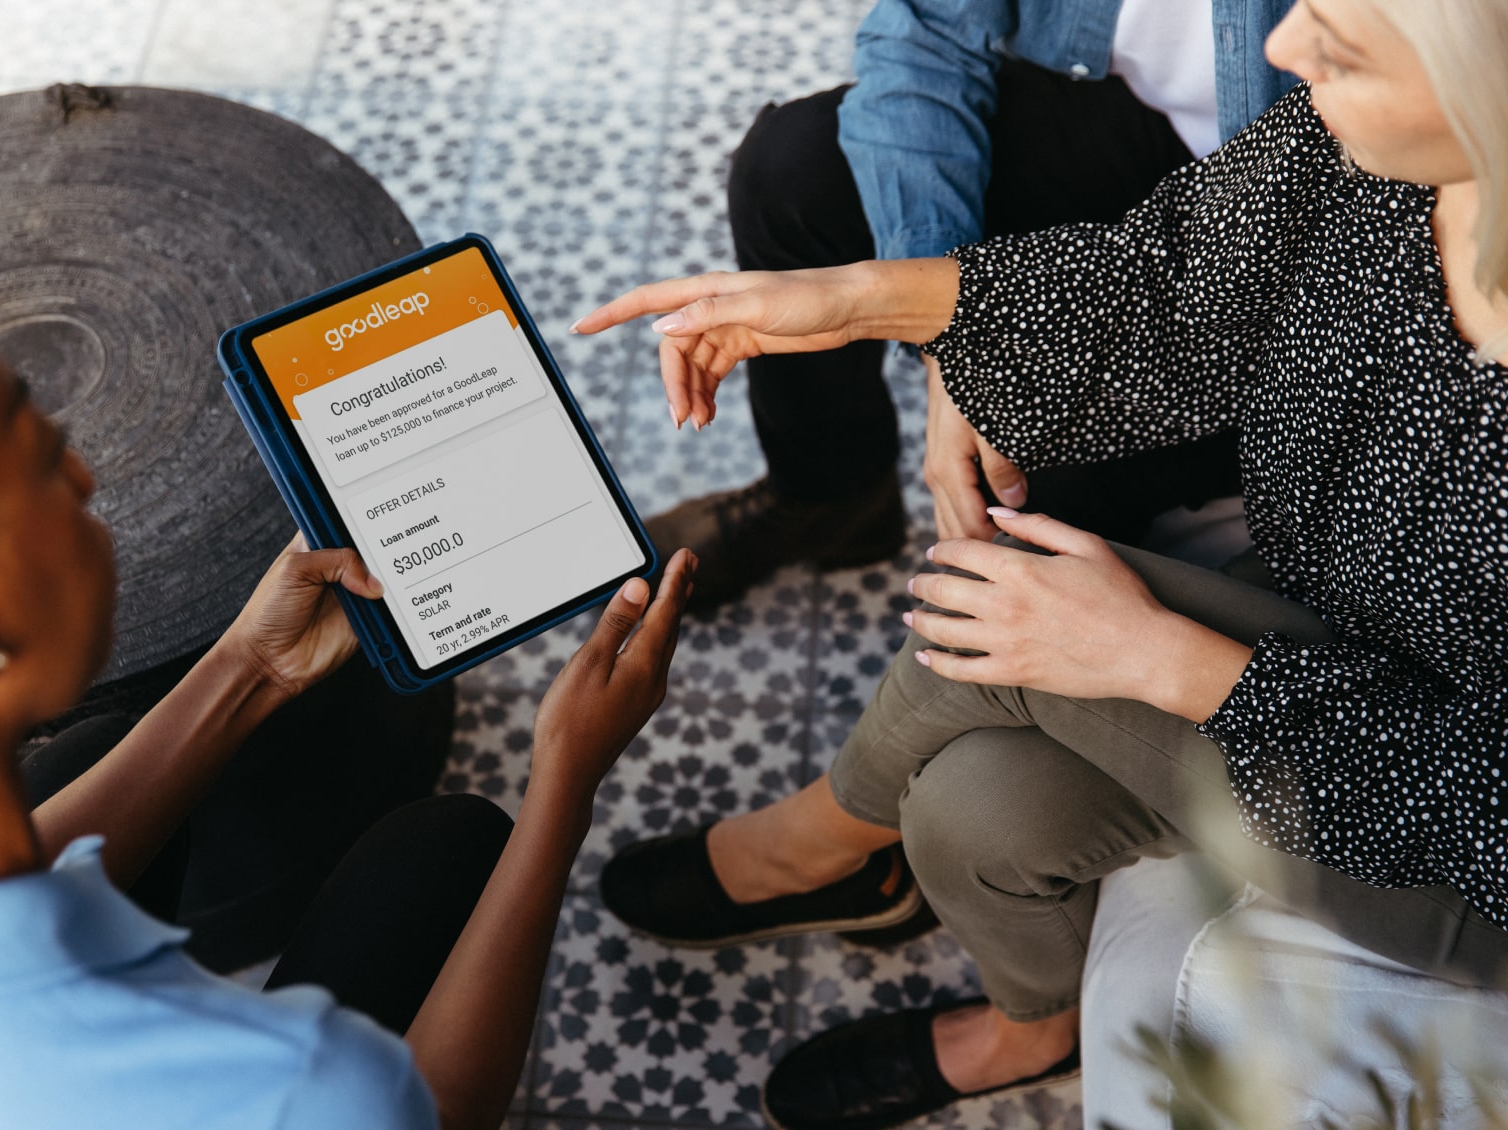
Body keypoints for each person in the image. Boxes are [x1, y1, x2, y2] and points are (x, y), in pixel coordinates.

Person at [575, 0, 1508, 1124]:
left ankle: (818, 836)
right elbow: (1172, 287)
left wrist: (1160, 655)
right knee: (973, 812)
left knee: (992, 620)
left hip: (1450, 845)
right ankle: (1032, 1022)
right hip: (1339, 625)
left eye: (1340, 43)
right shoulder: (1366, 154)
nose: (1278, 49)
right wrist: (858, 298)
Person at [0, 236, 696, 1130]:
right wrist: (563, 785)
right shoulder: (288, 1089)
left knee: (94, 755)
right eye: (41, 456)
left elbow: (24, 874)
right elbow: (437, 1109)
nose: (83, 476)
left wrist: (253, 665)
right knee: (451, 854)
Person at [650, 0, 1295, 609]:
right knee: (791, 172)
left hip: (1301, 232)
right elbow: (926, 29)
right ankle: (830, 500)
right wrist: (940, 328)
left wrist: (958, 325)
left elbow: (1285, 255)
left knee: (1024, 463)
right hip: (1158, 123)